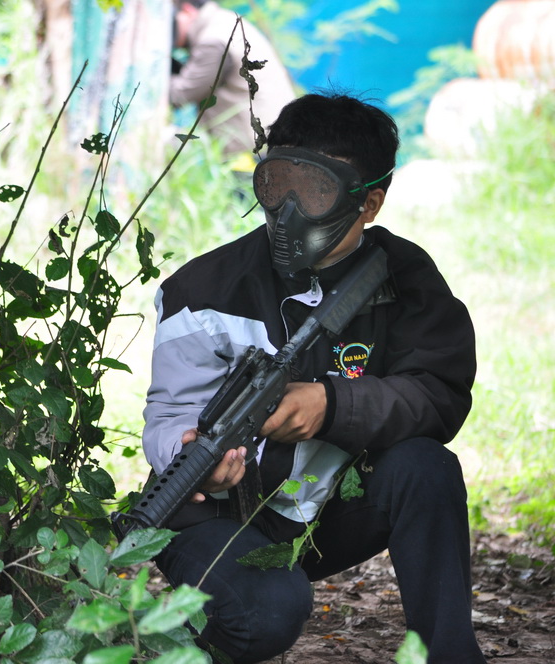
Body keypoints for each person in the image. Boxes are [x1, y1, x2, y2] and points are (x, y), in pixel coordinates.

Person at [142, 93, 485, 663]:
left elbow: (438, 393)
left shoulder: (406, 279)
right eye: (277, 185)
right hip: (211, 515)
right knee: (266, 613)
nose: (289, 211)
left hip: (328, 512)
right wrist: (195, 456)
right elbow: (168, 417)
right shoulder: (201, 291)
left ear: (369, 202)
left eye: (315, 190)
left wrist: (332, 405)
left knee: (427, 468)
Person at [171, 1, 296, 158]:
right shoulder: (224, 22)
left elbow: (181, 94)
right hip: (275, 138)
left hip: (256, 149)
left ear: (188, 10)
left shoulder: (213, 40)